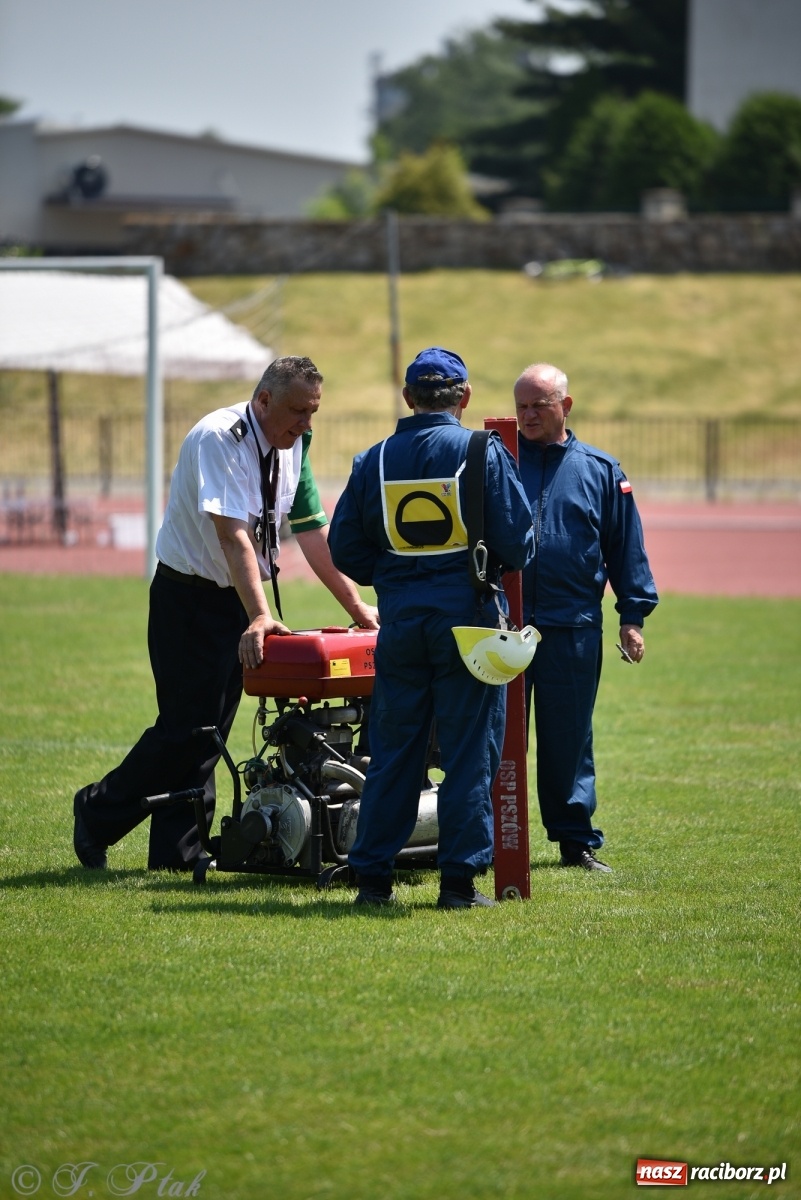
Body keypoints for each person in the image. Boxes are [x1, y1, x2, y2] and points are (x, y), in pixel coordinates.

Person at [73, 356, 378, 872]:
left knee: (209, 732)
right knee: (186, 729)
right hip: (188, 598)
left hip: (236, 597)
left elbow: (311, 531)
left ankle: (176, 855)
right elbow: (232, 535)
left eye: (313, 411)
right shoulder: (219, 437)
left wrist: (358, 607)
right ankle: (97, 810)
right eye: (298, 410)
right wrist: (260, 615)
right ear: (264, 400)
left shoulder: (295, 442)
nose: (307, 422)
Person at [328, 347, 535, 909]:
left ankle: (373, 881)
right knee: (469, 753)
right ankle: (458, 886)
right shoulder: (482, 451)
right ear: (464, 396)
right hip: (468, 624)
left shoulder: (373, 459)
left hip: (401, 623)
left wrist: (395, 579)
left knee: (394, 751)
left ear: (407, 397)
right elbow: (518, 544)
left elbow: (345, 548)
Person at [513, 362, 658, 872]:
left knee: (569, 740)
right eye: (521, 407)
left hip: (572, 626)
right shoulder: (497, 462)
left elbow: (625, 548)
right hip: (502, 627)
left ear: (566, 406)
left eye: (539, 405)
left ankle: (575, 843)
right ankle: (485, 841)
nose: (528, 416)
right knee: (493, 741)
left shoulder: (601, 470)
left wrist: (632, 616)